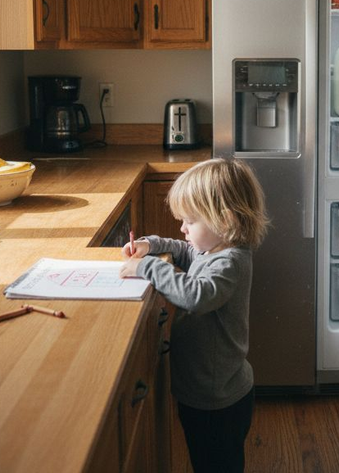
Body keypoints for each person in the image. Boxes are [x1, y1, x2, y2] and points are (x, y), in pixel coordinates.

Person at [118, 158, 269, 473]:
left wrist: (148, 266)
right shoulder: (212, 247)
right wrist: (151, 245)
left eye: (190, 221)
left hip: (218, 399)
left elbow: (197, 295)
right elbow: (186, 250)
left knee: (215, 464)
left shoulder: (230, 262)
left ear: (224, 220)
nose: (182, 228)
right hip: (204, 389)